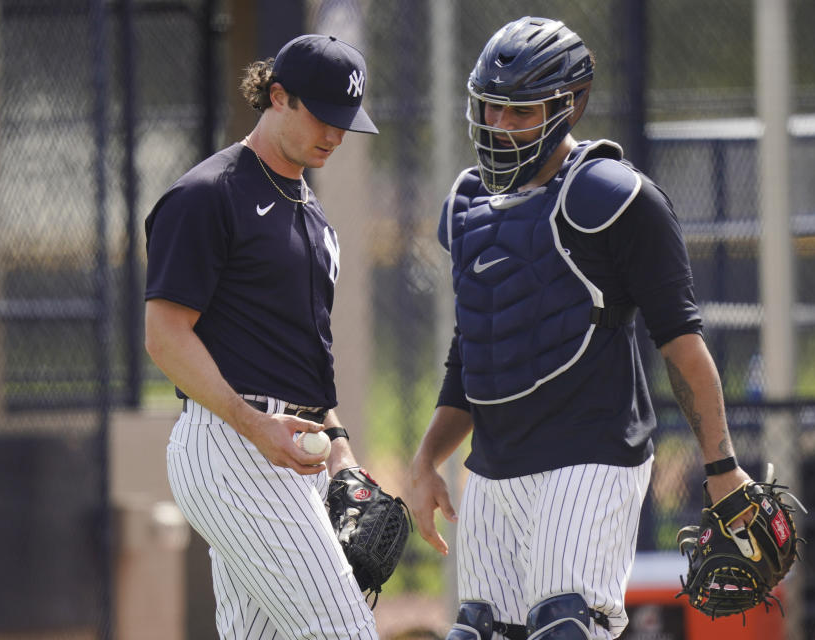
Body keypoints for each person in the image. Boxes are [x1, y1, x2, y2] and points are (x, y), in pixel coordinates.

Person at [409, 17, 753, 640]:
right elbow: (476, 352)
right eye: (490, 109)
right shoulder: (466, 206)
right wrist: (427, 457)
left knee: (564, 626)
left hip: (589, 456)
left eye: (520, 112)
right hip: (492, 466)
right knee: (479, 631)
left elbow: (681, 341)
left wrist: (722, 468)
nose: (499, 127)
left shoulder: (618, 198)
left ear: (570, 105)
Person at [145, 34, 381, 640]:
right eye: (323, 116)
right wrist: (255, 426)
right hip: (230, 444)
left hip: (291, 451)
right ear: (277, 96)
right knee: (345, 632)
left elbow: (304, 353)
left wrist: (342, 451)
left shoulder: (311, 211)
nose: (334, 134)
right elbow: (165, 337)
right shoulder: (208, 194)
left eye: (345, 122)